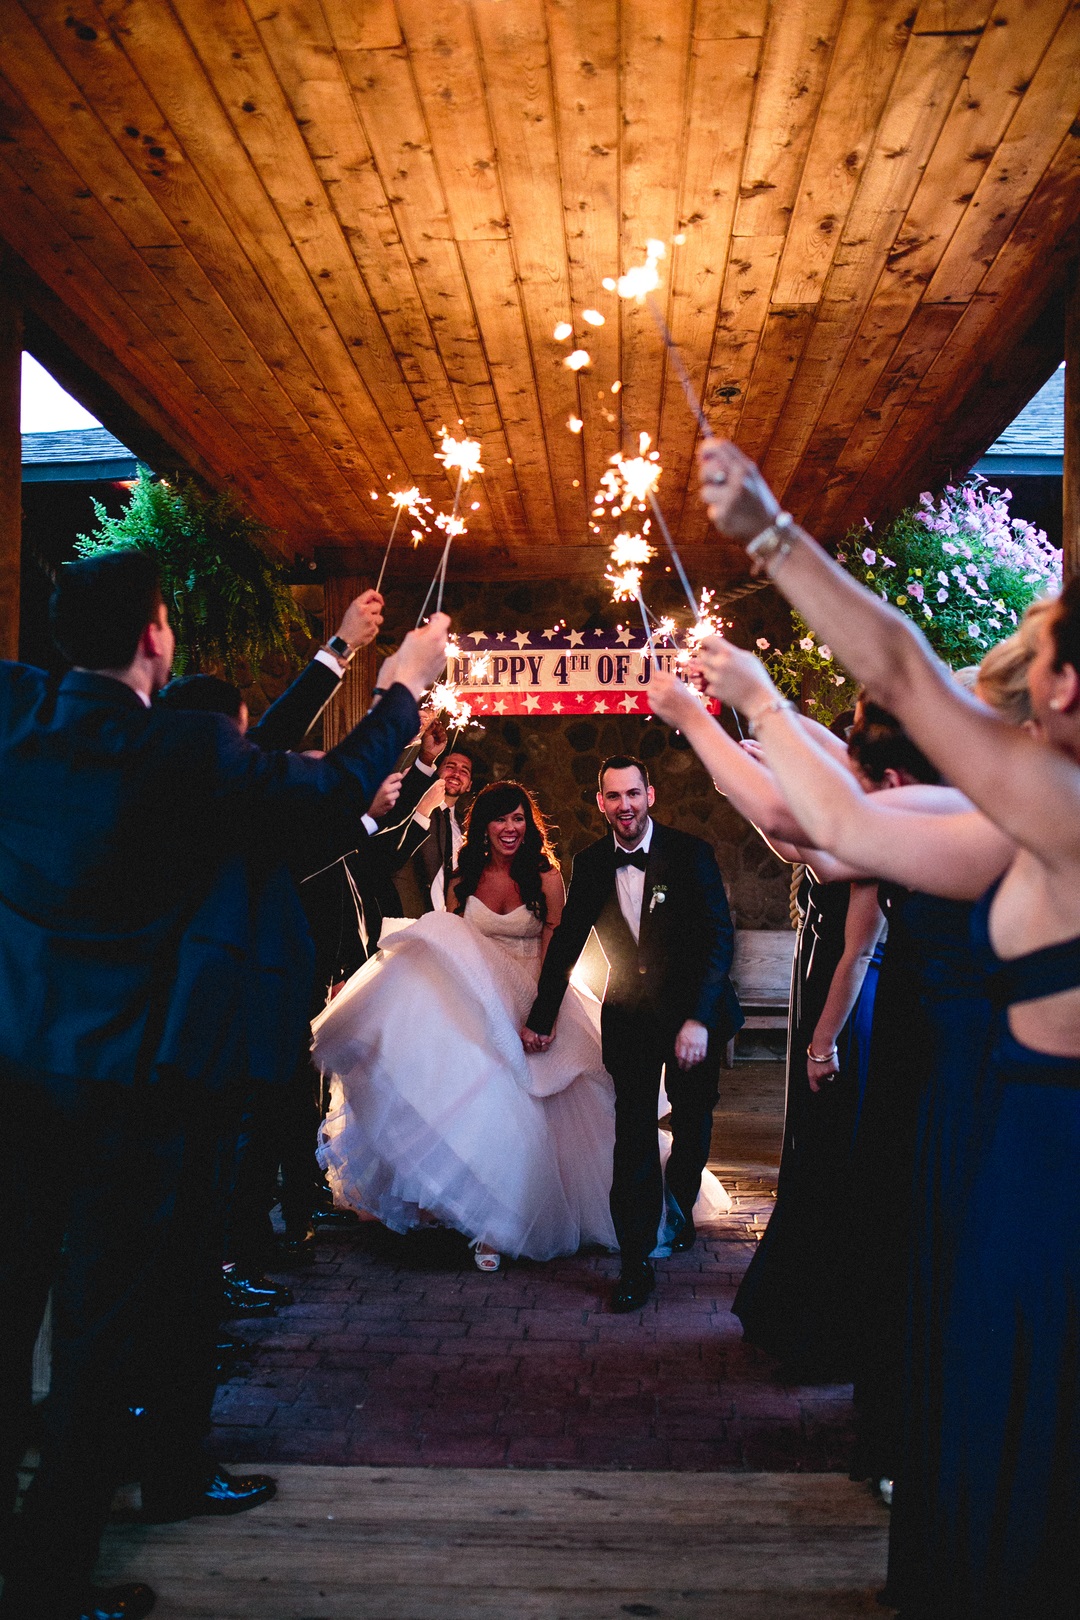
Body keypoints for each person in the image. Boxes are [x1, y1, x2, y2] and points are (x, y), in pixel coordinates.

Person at [0, 548, 449, 1620]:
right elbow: (329, 787)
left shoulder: (15, 719)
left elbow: (256, 757)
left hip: (17, 1076)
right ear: (159, 636)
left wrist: (341, 655)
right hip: (128, 1093)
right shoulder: (178, 753)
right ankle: (52, 1579)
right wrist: (402, 689)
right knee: (105, 1334)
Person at [694, 435, 1080, 1620]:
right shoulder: (1020, 830)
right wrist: (742, 716)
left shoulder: (1063, 813)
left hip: (1053, 1169)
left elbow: (907, 680)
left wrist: (768, 535)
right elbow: (846, 833)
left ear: (1062, 688)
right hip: (1017, 1160)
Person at [313, 782, 621, 1268]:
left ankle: (506, 1225)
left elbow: (555, 952)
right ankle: (474, 1213)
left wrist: (542, 1016)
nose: (511, 828)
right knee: (476, 1105)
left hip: (531, 996)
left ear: (529, 825)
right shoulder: (462, 879)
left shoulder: (546, 878)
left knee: (530, 1108)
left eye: (519, 819)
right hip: (476, 1000)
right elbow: (450, 945)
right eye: (501, 819)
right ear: (484, 827)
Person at [523, 757, 743, 1313]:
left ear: (651, 795)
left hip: (695, 1011)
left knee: (694, 1118)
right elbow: (569, 939)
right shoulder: (591, 862)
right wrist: (542, 1015)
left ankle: (681, 1199)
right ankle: (635, 1259)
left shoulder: (691, 853)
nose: (625, 805)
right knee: (634, 1134)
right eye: (614, 796)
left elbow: (720, 940)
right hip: (631, 1018)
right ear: (601, 803)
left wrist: (698, 1019)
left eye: (633, 794)